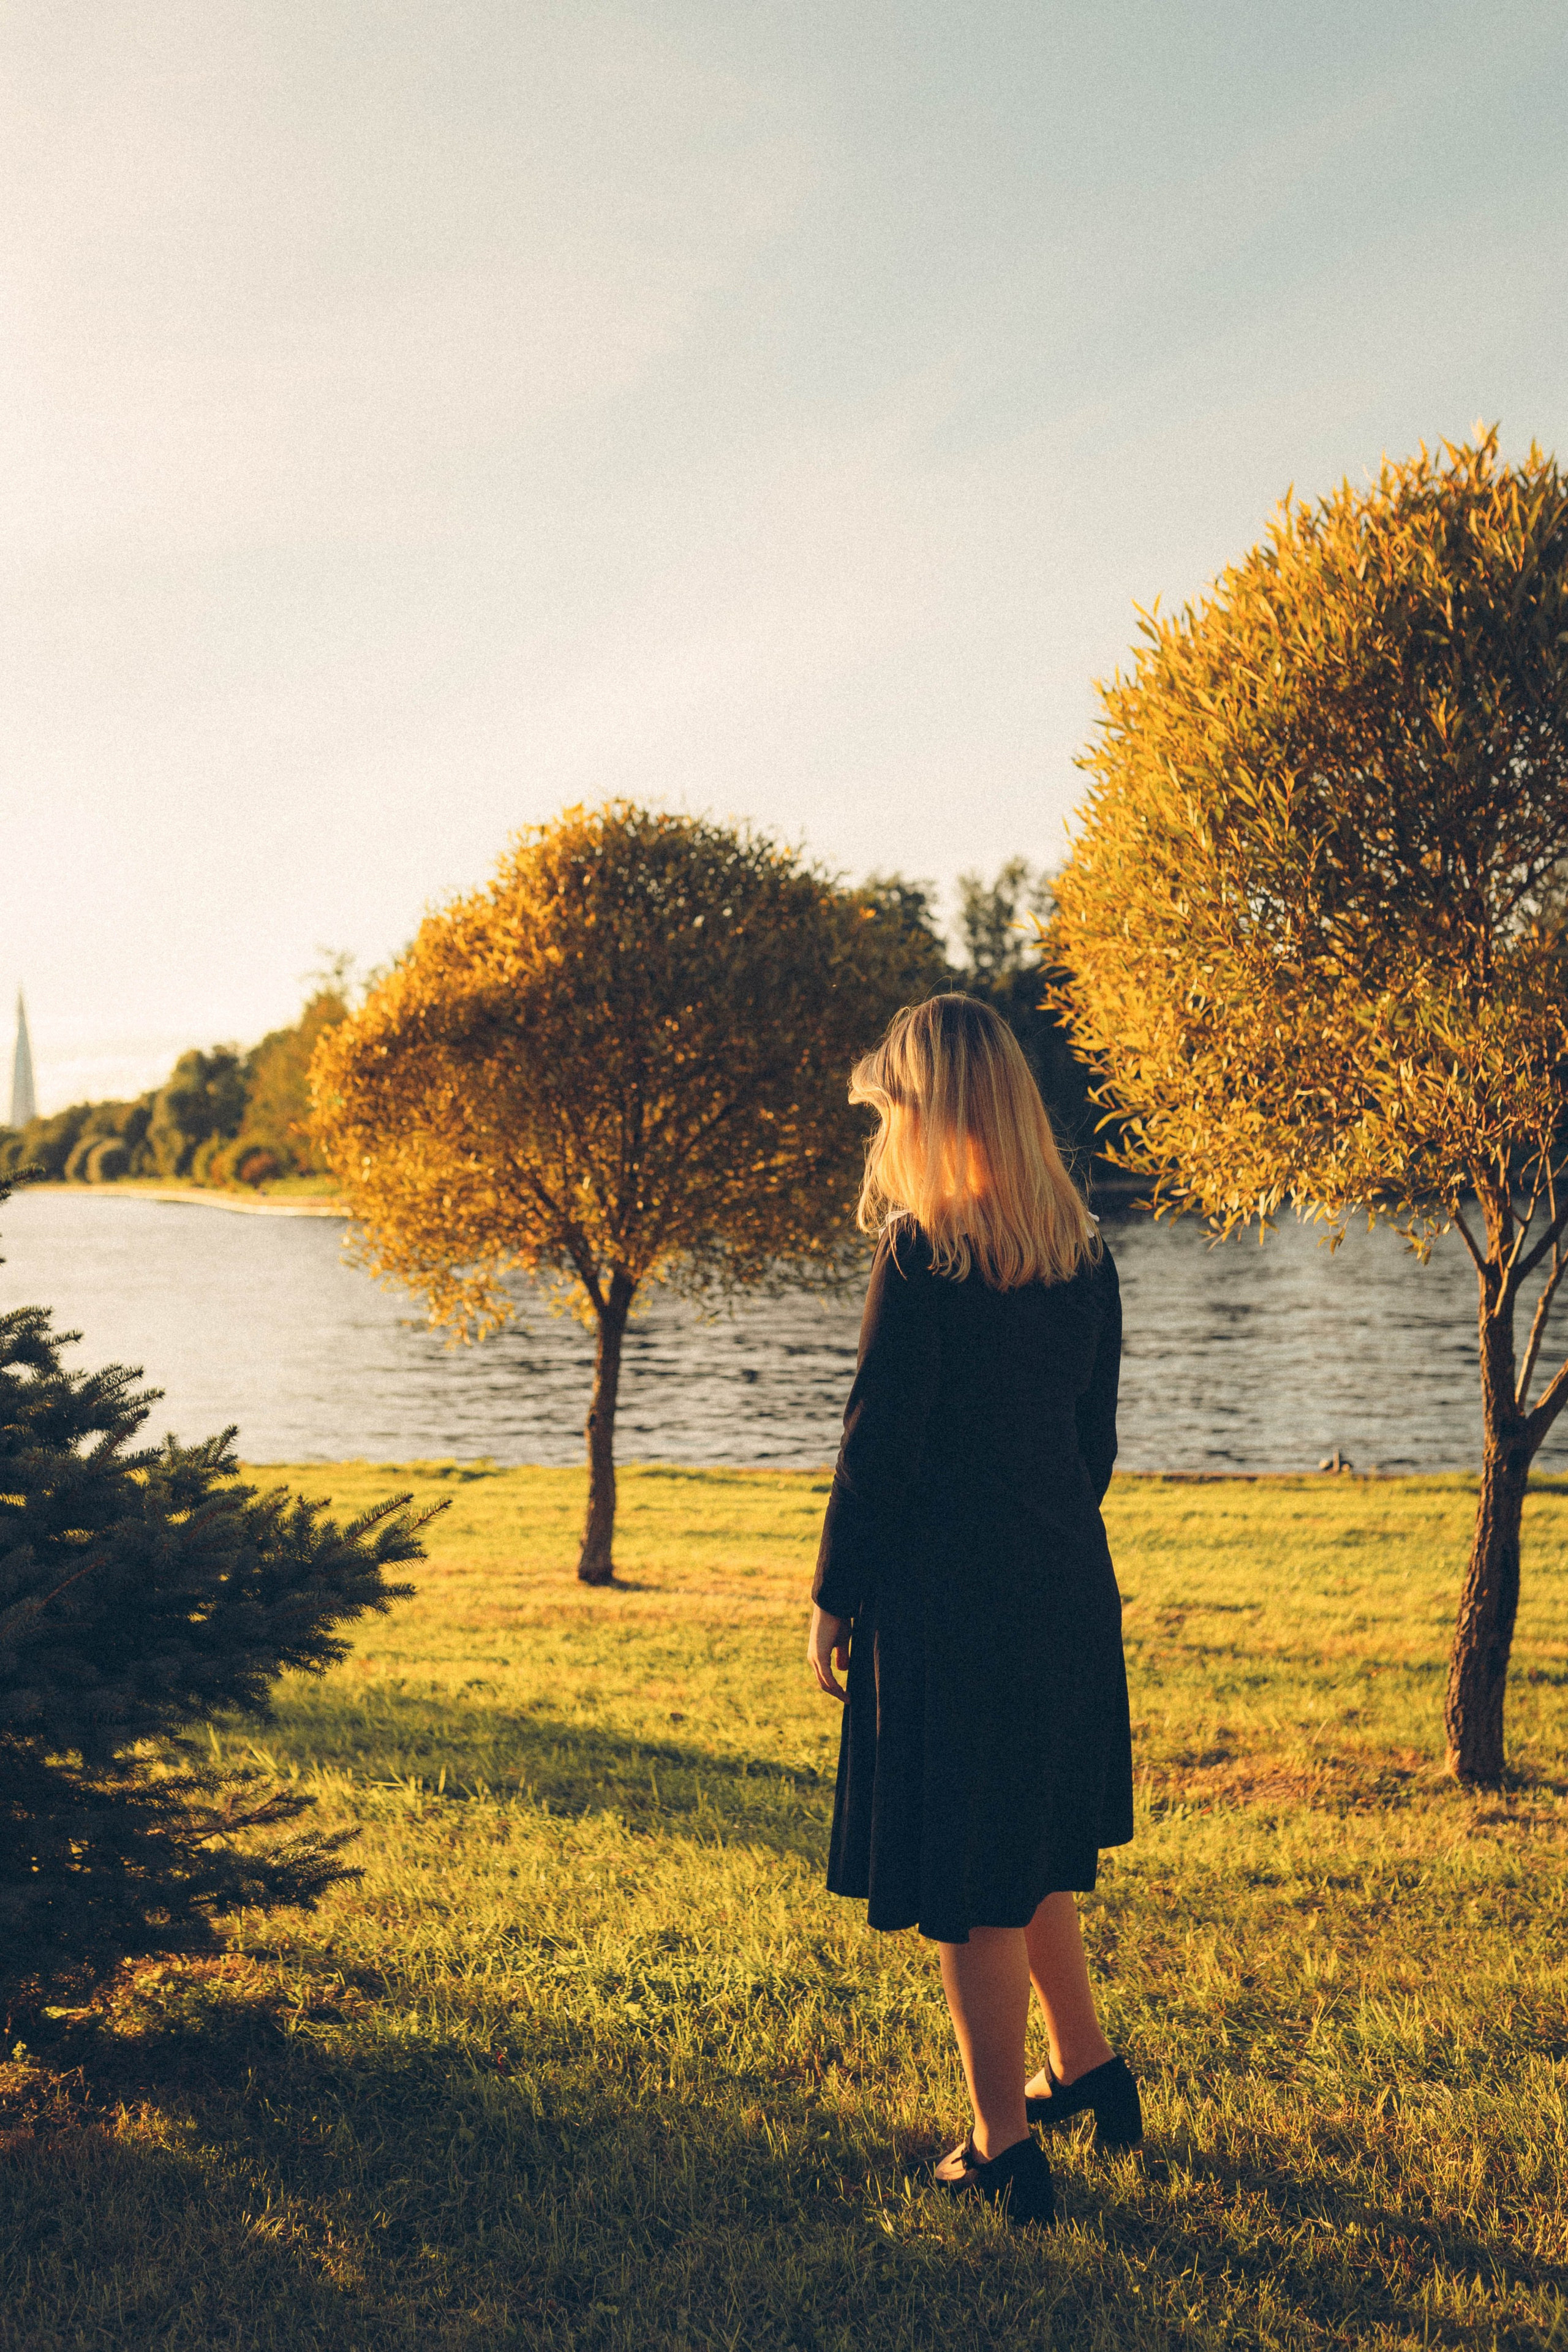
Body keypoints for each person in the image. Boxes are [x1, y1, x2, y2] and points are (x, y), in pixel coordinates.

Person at [806, 993, 1139, 2231]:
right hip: (1061, 1589)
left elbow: (874, 1448)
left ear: (928, 1110)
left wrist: (834, 1598)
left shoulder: (923, 1254)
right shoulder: (1082, 1252)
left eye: (892, 1104)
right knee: (1029, 1844)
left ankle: (1000, 2145)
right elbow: (1089, 1445)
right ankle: (1088, 2070)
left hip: (950, 1603)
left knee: (968, 1880)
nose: (884, 1125)